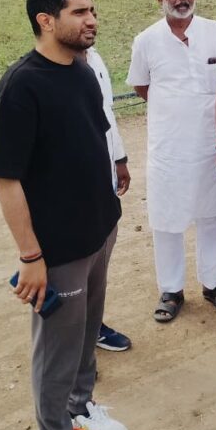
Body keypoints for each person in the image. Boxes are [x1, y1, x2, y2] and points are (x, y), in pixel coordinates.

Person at [0, 0, 128, 430]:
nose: (92, 19)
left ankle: (79, 409)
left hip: (99, 231)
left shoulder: (83, 72)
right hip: (58, 249)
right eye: (79, 12)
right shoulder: (20, 87)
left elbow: (94, 142)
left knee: (87, 333)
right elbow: (7, 180)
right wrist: (31, 256)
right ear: (46, 20)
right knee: (57, 349)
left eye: (92, 10)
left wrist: (109, 215)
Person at [127, 0, 216, 323]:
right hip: (170, 148)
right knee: (167, 218)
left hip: (213, 143)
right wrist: (176, 108)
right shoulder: (146, 40)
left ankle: (212, 284)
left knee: (215, 214)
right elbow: (141, 86)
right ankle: (171, 290)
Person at [84, 45, 133, 353]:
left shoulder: (95, 57)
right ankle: (73, 347)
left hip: (105, 177)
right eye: (80, 19)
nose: (91, 22)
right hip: (74, 188)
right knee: (72, 270)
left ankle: (92, 328)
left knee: (99, 261)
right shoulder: (45, 72)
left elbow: (107, 114)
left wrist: (119, 158)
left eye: (92, 18)